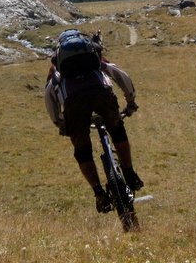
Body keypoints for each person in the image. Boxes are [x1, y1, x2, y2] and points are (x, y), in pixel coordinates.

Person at [44, 29, 143, 213]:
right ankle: (129, 174)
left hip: (73, 102)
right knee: (118, 131)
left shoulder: (56, 65)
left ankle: (99, 193)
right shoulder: (94, 56)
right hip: (101, 94)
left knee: (82, 151)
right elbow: (119, 74)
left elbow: (50, 93)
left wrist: (59, 122)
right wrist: (130, 102)